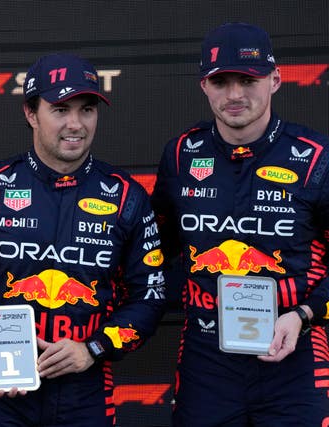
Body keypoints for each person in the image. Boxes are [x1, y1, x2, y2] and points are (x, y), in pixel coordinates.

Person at [0, 53, 167, 427]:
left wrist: (94, 348)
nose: (75, 124)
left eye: (86, 110)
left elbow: (149, 297)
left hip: (84, 388)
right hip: (1, 389)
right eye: (60, 109)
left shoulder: (127, 197)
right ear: (30, 113)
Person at [152, 22, 329, 426]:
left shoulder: (316, 158)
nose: (234, 95)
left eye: (248, 80)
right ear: (204, 85)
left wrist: (303, 313)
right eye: (221, 81)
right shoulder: (181, 154)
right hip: (207, 356)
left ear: (276, 80)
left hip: (294, 349)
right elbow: (155, 251)